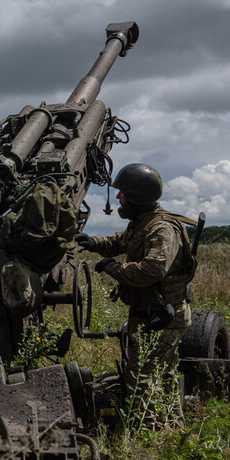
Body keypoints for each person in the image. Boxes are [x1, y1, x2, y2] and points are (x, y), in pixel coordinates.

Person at [75, 163, 197, 428]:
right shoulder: (142, 223)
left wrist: (113, 268)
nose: (119, 198)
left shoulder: (162, 228)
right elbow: (121, 241)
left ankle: (149, 432)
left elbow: (152, 270)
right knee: (163, 373)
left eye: (123, 193)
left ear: (138, 197)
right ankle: (173, 428)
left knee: (140, 374)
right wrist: (95, 243)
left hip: (165, 316)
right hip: (149, 313)